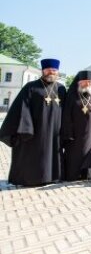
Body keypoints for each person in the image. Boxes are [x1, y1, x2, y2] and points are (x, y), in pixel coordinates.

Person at [0, 58, 67, 186]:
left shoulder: (61, 89)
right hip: (35, 130)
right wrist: (26, 129)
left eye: (54, 70)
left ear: (57, 72)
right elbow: (21, 108)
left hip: (55, 132)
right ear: (43, 70)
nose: (51, 72)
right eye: (48, 70)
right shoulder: (31, 87)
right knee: (33, 155)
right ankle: (31, 179)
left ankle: (51, 177)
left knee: (52, 154)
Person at [61, 70, 91, 181]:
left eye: (89, 82)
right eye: (85, 82)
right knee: (76, 155)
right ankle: (73, 175)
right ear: (79, 83)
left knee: (88, 153)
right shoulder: (72, 96)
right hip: (76, 133)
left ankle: (87, 175)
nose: (87, 84)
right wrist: (68, 132)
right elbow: (66, 116)